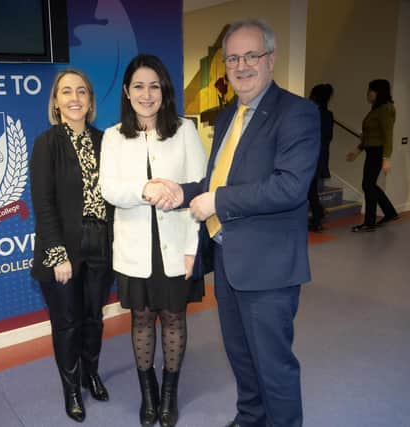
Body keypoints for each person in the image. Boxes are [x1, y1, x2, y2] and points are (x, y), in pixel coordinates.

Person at [159, 19, 319, 427]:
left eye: (251, 56)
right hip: (229, 260)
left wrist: (217, 200)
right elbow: (220, 180)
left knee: (273, 365)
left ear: (271, 59)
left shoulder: (297, 113)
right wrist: (183, 192)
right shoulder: (231, 115)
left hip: (269, 268)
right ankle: (250, 418)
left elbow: (290, 187)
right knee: (241, 356)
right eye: (233, 58)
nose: (242, 65)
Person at [99, 54, 206, 427]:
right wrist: (144, 188)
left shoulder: (184, 130)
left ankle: (169, 393)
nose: (147, 94)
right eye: (139, 86)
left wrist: (194, 248)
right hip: (134, 249)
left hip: (177, 245)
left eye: (154, 86)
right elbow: (109, 189)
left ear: (165, 91)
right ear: (127, 92)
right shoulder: (113, 137)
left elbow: (200, 190)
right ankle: (148, 393)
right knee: (142, 319)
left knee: (174, 318)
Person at [30, 69, 114, 423]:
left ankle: (90, 373)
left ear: (91, 101)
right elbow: (43, 204)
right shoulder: (46, 143)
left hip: (102, 242)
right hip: (63, 246)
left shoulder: (107, 140)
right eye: (66, 92)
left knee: (94, 318)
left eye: (82, 91)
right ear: (56, 101)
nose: (75, 98)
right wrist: (57, 254)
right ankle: (71, 389)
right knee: (67, 323)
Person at [346, 79, 399, 232]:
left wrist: (386, 158)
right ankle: (389, 212)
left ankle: (369, 222)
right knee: (370, 184)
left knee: (368, 185)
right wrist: (357, 150)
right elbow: (370, 135)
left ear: (379, 92)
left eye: (371, 90)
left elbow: (387, 135)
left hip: (378, 152)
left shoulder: (385, 109)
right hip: (372, 150)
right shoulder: (377, 109)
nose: (368, 93)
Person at [307, 83, 334, 231]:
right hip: (321, 156)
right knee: (311, 189)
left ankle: (318, 216)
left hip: (311, 157)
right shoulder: (328, 115)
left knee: (309, 190)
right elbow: (328, 137)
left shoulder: (312, 114)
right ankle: (318, 214)